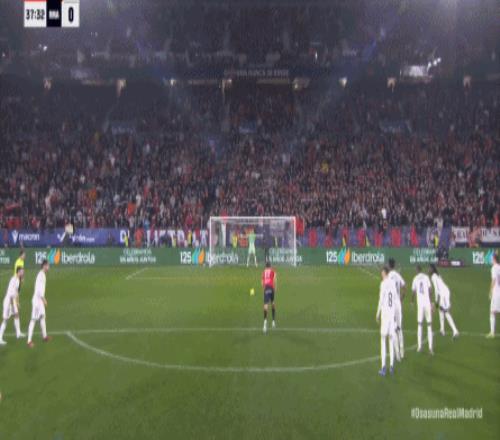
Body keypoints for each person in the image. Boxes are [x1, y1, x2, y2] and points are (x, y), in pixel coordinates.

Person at [376, 267, 398, 376]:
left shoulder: (383, 283)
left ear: (385, 273)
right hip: (392, 314)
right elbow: (395, 299)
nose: (381, 275)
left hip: (385, 315)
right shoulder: (393, 283)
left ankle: (383, 367)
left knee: (383, 340)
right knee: (391, 340)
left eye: (382, 273)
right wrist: (396, 315)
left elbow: (381, 300)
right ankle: (392, 367)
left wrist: (377, 313)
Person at [429, 264, 459, 338]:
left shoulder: (433, 277)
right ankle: (442, 330)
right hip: (444, 293)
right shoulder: (437, 275)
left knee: (446, 312)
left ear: (432, 269)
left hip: (444, 294)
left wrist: (436, 302)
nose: (428, 270)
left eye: (430, 268)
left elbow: (437, 289)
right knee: (441, 310)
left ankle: (455, 331)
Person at [27, 260, 51, 347]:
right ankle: (29, 341)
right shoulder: (41, 275)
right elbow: (38, 289)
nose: (49, 267)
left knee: (42, 317)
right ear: (44, 266)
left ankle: (44, 336)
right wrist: (43, 299)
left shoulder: (42, 274)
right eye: (48, 266)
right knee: (33, 320)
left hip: (40, 300)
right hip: (37, 301)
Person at [411, 265, 434, 354]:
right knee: (429, 325)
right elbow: (430, 290)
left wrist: (412, 302)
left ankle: (419, 347)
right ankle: (430, 348)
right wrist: (431, 303)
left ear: (417, 270)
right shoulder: (426, 277)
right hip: (427, 304)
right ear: (421, 270)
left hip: (420, 305)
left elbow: (413, 292)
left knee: (420, 325)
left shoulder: (415, 278)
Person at [0, 267, 26, 345]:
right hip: (8, 302)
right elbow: (11, 294)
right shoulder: (13, 280)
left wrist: (17, 302)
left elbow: (16, 292)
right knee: (5, 320)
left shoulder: (18, 280)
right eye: (22, 272)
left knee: (16, 315)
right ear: (18, 272)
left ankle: (18, 333)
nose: (23, 273)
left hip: (13, 301)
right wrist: (13, 305)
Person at [388, 258, 405, 360]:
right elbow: (404, 287)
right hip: (398, 304)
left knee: (393, 329)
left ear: (389, 265)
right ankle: (402, 352)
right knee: (399, 328)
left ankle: (397, 354)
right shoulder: (398, 275)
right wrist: (401, 300)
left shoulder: (388, 277)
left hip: (392, 305)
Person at [487, 253, 500, 338]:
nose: (490, 260)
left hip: (496, 292)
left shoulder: (494, 268)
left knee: (492, 312)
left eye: (491, 258)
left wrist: (490, 291)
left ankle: (492, 333)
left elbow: (494, 280)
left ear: (494, 259)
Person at [262, 262, 277, 333]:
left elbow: (262, 282)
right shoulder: (273, 271)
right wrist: (275, 287)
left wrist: (264, 289)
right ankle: (273, 321)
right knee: (273, 303)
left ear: (265, 266)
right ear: (270, 266)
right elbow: (275, 279)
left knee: (265, 305)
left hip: (266, 288)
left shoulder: (263, 272)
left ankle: (265, 323)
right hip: (271, 287)